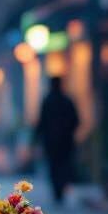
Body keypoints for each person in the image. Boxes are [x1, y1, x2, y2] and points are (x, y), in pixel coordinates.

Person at [34, 76, 80, 204]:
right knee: (62, 166)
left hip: (53, 142)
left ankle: (58, 191)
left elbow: (41, 122)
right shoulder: (66, 101)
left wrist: (37, 138)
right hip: (64, 142)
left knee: (55, 167)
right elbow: (76, 121)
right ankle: (60, 189)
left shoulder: (48, 101)